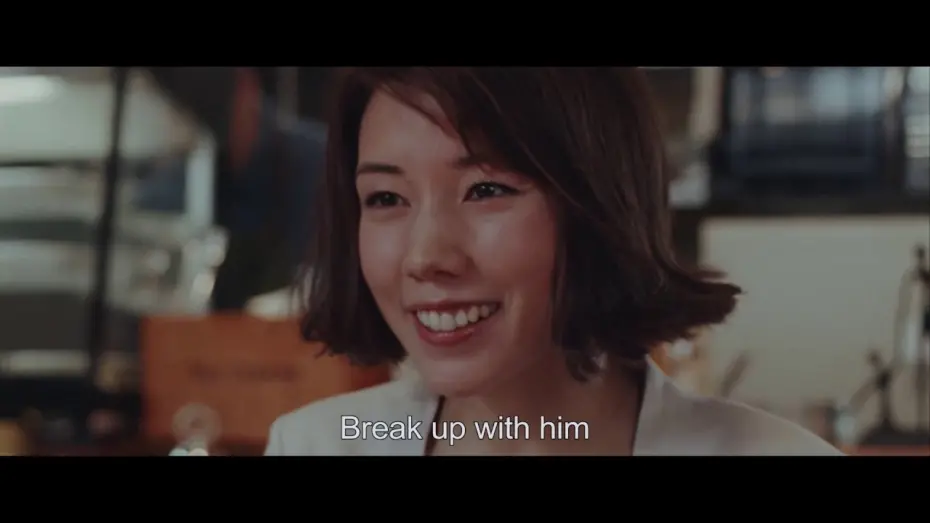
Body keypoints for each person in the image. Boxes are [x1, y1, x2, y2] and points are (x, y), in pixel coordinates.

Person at [265, 67, 842, 456]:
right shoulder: (318, 445)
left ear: (597, 205)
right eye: (386, 199)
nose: (425, 257)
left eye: (486, 191)